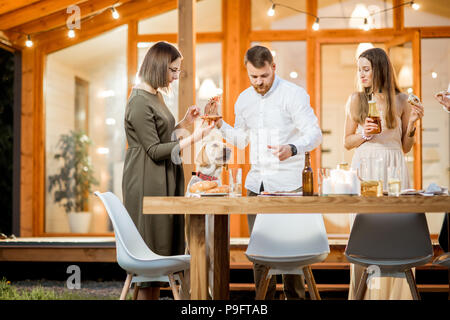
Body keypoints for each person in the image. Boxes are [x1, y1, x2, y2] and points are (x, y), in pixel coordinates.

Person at [210, 45, 323, 299]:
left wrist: (293, 148)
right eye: (253, 77)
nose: (259, 82)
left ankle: (295, 298)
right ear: (247, 72)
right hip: (256, 185)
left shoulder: (294, 95)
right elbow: (240, 140)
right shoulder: (243, 100)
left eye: (264, 76)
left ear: (274, 67)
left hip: (288, 186)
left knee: (293, 252)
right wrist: (219, 124)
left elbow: (314, 135)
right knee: (260, 254)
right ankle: (264, 300)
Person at [122, 41, 215, 300]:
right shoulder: (139, 101)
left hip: (163, 176)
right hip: (147, 181)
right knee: (151, 258)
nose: (176, 76)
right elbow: (154, 150)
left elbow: (164, 137)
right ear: (159, 67)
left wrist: (185, 122)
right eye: (173, 70)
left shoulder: (155, 95)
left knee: (162, 256)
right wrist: (195, 137)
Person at [344, 47, 424, 300]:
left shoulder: (401, 100)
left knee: (395, 231)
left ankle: (395, 295)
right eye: (359, 69)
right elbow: (347, 141)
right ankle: (364, 294)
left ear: (380, 69)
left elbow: (405, 145)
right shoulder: (356, 100)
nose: (362, 74)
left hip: (393, 166)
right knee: (364, 232)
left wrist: (412, 125)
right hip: (364, 167)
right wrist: (365, 134)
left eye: (366, 69)